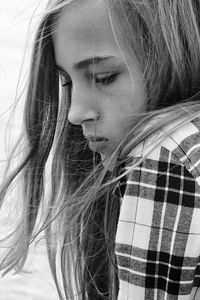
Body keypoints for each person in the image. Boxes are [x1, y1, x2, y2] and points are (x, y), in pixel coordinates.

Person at [1, 0, 200, 299]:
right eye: (66, 82)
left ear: (174, 54)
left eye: (104, 77)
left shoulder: (165, 158)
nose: (74, 113)